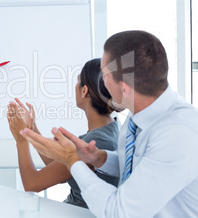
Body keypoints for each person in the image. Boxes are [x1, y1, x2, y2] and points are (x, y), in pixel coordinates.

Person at [20, 30, 198, 217]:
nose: (102, 82)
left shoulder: (178, 135)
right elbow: (137, 164)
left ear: (124, 88)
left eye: (104, 75)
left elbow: (120, 212)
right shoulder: (139, 115)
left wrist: (73, 160)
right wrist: (100, 158)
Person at [7, 58, 120, 208]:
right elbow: (60, 164)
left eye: (78, 81)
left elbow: (32, 184)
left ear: (84, 90)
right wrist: (32, 129)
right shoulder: (109, 128)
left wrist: (21, 141)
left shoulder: (97, 141)